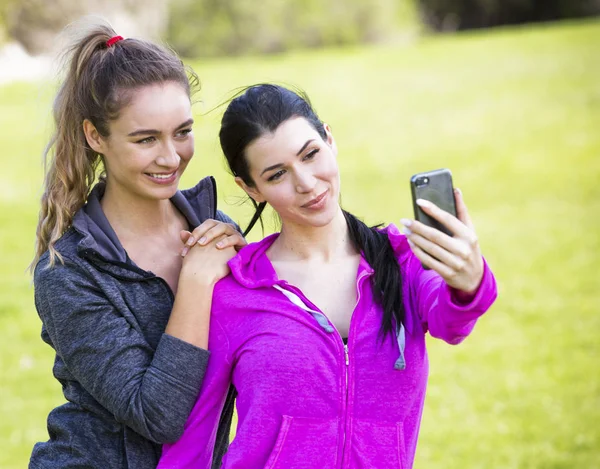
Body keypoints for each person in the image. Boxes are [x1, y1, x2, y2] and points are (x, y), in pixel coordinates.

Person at [157, 83, 498, 469]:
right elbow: (193, 440)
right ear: (250, 188)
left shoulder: (402, 262)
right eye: (277, 174)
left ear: (329, 139)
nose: (306, 183)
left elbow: (451, 321)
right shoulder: (235, 292)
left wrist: (469, 280)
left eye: (310, 154)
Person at [29, 20, 245, 469]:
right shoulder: (69, 271)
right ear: (95, 136)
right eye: (146, 139)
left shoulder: (216, 230)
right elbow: (159, 414)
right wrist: (198, 281)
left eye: (182, 132)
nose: (171, 157)